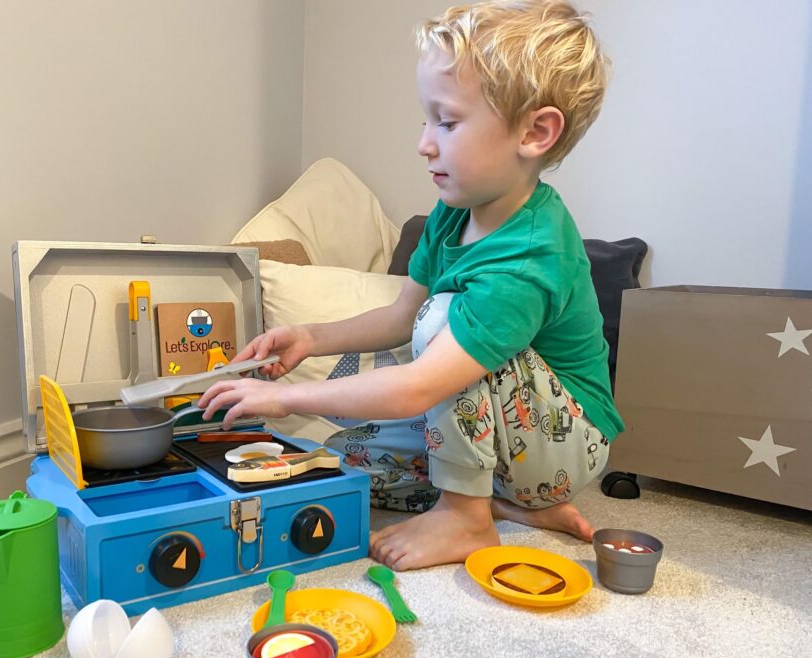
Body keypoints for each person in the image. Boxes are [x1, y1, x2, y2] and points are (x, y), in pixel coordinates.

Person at [198, 0, 623, 571]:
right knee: (336, 460)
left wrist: (285, 396)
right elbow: (400, 315)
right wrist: (309, 336)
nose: (425, 142)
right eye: (427, 120)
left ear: (535, 132)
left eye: (446, 122)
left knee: (445, 316)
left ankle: (466, 520)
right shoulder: (456, 209)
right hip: (509, 448)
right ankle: (502, 507)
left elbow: (422, 385)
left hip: (565, 441)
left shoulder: (527, 256)